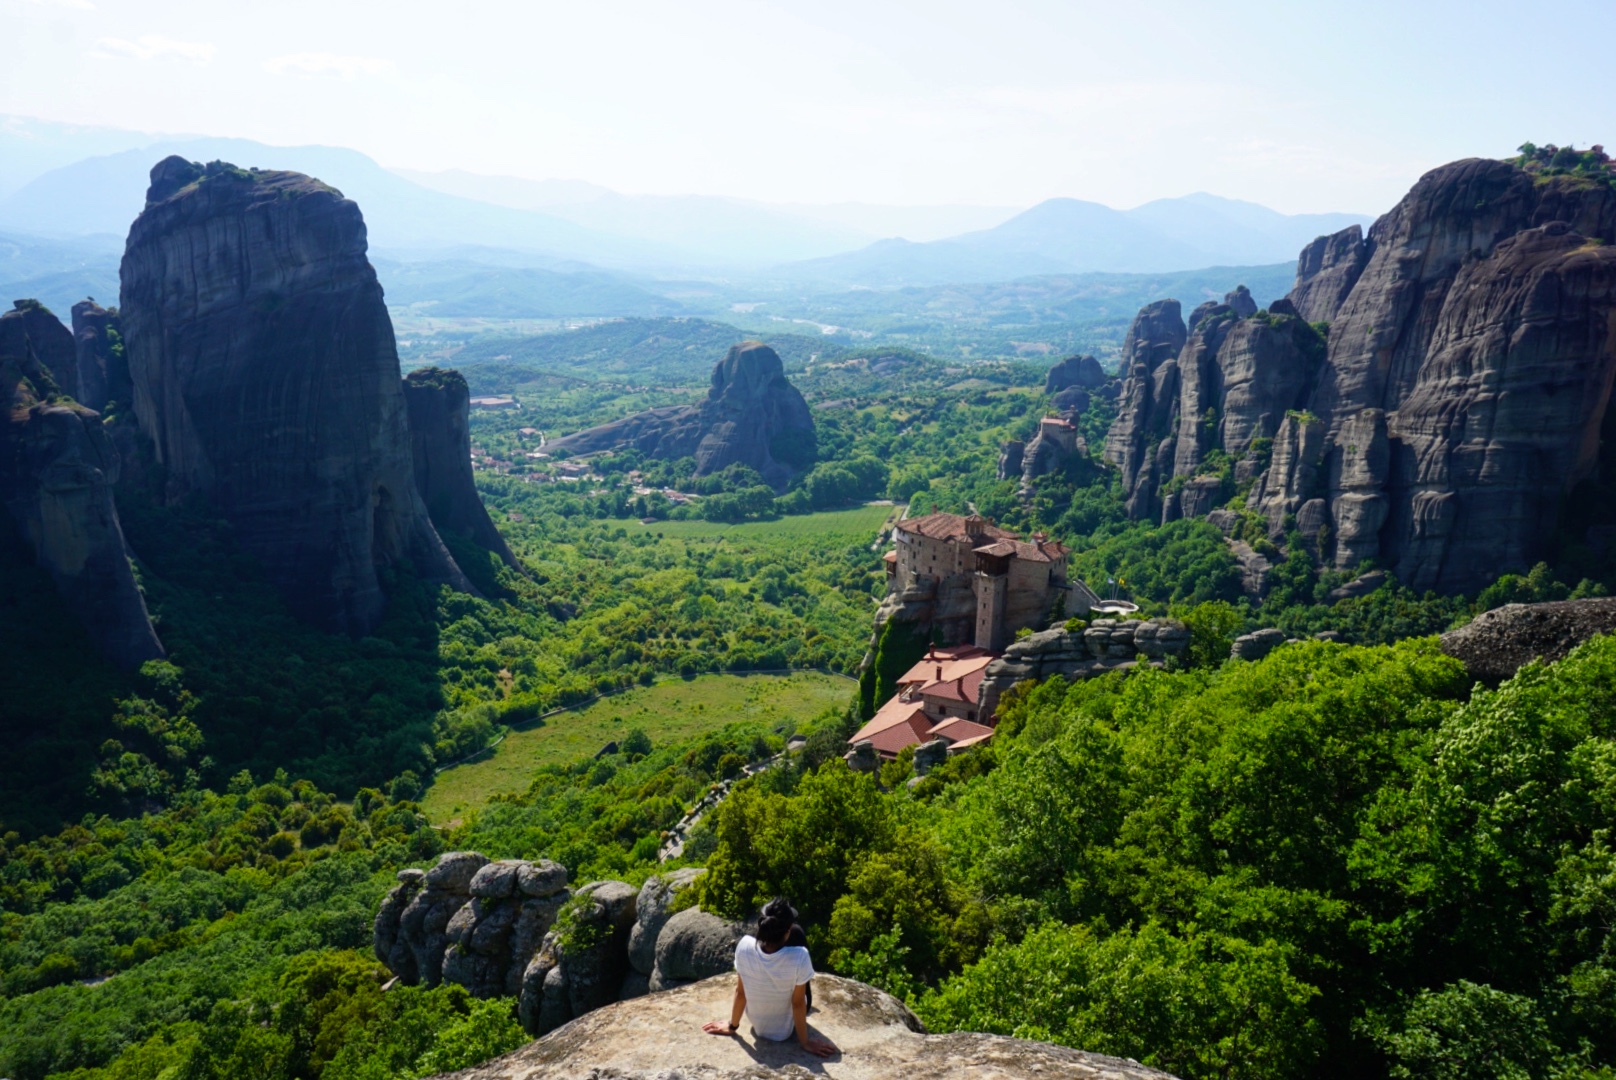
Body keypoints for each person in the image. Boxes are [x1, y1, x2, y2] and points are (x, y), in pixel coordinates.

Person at [703, 898, 836, 1057]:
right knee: (798, 933)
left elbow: (741, 992)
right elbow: (798, 1003)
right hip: (785, 1030)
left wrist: (732, 1026)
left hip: (757, 1024)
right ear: (787, 932)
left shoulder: (744, 945)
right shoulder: (800, 955)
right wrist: (805, 1043)